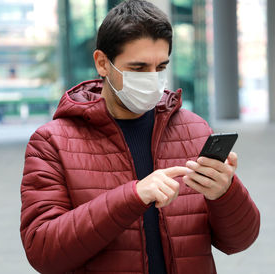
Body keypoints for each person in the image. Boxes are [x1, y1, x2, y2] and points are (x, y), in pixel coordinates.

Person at [20, 1, 260, 273]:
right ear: (102, 63)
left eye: (160, 67)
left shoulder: (194, 130)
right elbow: (43, 252)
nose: (152, 78)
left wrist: (226, 193)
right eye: (138, 68)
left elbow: (239, 241)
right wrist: (132, 197)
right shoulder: (52, 142)